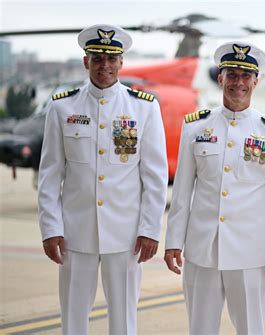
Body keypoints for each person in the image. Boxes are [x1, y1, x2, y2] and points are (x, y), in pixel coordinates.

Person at [37, 24, 168, 335]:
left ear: (122, 62)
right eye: (97, 58)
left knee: (123, 320)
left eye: (111, 58)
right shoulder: (62, 106)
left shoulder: (144, 108)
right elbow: (50, 174)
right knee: (73, 318)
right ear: (86, 62)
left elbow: (154, 175)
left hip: (125, 235)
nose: (105, 65)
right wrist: (50, 228)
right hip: (74, 232)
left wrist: (150, 229)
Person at [164, 41, 265, 334]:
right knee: (200, 328)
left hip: (249, 251)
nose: (238, 82)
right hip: (201, 249)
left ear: (256, 81)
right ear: (220, 78)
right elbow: (182, 190)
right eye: (231, 74)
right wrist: (173, 241)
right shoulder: (196, 127)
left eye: (245, 76)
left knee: (250, 328)